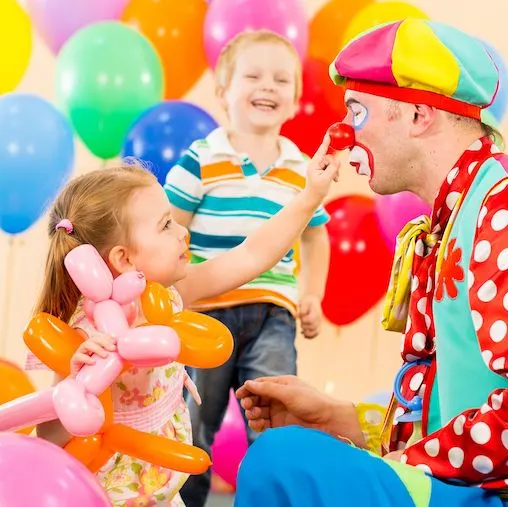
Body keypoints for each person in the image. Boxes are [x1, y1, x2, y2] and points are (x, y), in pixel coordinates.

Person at [233, 18, 508, 507]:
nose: (343, 135)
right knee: (297, 451)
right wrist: (342, 419)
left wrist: (400, 466)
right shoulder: (462, 213)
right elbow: (461, 399)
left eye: (357, 111)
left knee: (283, 463)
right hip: (499, 488)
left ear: (419, 115)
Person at [23, 142, 341, 507]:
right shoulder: (89, 332)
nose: (182, 232)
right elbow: (50, 436)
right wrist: (79, 382)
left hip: (160, 482)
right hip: (105, 490)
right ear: (124, 258)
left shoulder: (169, 297)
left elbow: (252, 254)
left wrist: (309, 197)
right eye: (165, 225)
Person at [164, 30, 331, 506]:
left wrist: (311, 294)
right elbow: (170, 228)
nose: (269, 86)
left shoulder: (301, 169)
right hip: (204, 315)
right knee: (194, 427)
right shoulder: (202, 158)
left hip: (272, 314)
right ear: (223, 93)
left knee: (277, 420)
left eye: (282, 80)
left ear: (295, 99)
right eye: (253, 76)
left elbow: (316, 234)